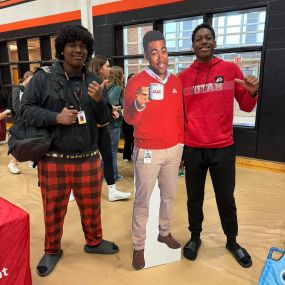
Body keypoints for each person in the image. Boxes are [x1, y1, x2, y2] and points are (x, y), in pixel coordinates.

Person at [20, 25, 119, 277]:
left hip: (87, 157)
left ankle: (94, 241)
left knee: (91, 207)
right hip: (53, 158)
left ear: (88, 51)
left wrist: (99, 101)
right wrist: (56, 117)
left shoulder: (95, 81)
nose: (78, 50)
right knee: (53, 209)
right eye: (72, 45)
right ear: (61, 49)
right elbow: (25, 109)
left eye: (83, 46)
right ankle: (52, 249)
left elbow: (105, 118)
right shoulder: (43, 78)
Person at [178, 23, 259, 268]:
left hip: (223, 146)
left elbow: (246, 106)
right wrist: (179, 148)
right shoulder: (182, 77)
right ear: (192, 46)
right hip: (192, 147)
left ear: (214, 43)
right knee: (194, 197)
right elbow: (179, 116)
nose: (203, 42)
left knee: (226, 198)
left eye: (208, 38)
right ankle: (194, 237)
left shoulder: (230, 68)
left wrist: (253, 92)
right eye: (199, 39)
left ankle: (232, 241)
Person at [124, 30, 184, 270]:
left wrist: (181, 144)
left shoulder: (176, 82)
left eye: (164, 50)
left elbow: (180, 116)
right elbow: (129, 119)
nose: (160, 57)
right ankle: (139, 246)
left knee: (169, 196)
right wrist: (138, 103)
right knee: (143, 201)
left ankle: (164, 232)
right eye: (154, 52)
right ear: (146, 56)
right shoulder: (136, 82)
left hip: (173, 150)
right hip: (147, 150)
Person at [88, 56, 131, 201]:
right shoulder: (91, 84)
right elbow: (88, 107)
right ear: (99, 68)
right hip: (93, 129)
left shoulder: (104, 84)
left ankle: (112, 191)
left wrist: (111, 109)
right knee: (88, 159)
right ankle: (73, 191)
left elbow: (105, 103)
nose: (109, 68)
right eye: (107, 66)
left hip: (104, 127)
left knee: (108, 156)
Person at [7, 71, 34, 174]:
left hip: (29, 120)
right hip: (20, 122)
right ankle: (13, 163)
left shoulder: (31, 90)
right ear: (25, 77)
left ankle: (32, 160)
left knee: (32, 140)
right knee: (20, 143)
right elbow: (16, 107)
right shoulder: (17, 90)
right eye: (31, 80)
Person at [107, 66, 125, 182]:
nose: (123, 76)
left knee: (109, 151)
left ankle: (107, 174)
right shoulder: (117, 88)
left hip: (109, 124)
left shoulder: (108, 87)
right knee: (112, 152)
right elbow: (112, 106)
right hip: (113, 124)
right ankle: (113, 175)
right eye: (122, 74)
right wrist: (122, 111)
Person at [122, 73, 135, 163]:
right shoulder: (124, 90)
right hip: (126, 118)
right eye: (131, 79)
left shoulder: (140, 90)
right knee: (128, 138)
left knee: (136, 138)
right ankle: (126, 156)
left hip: (136, 118)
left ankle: (134, 155)